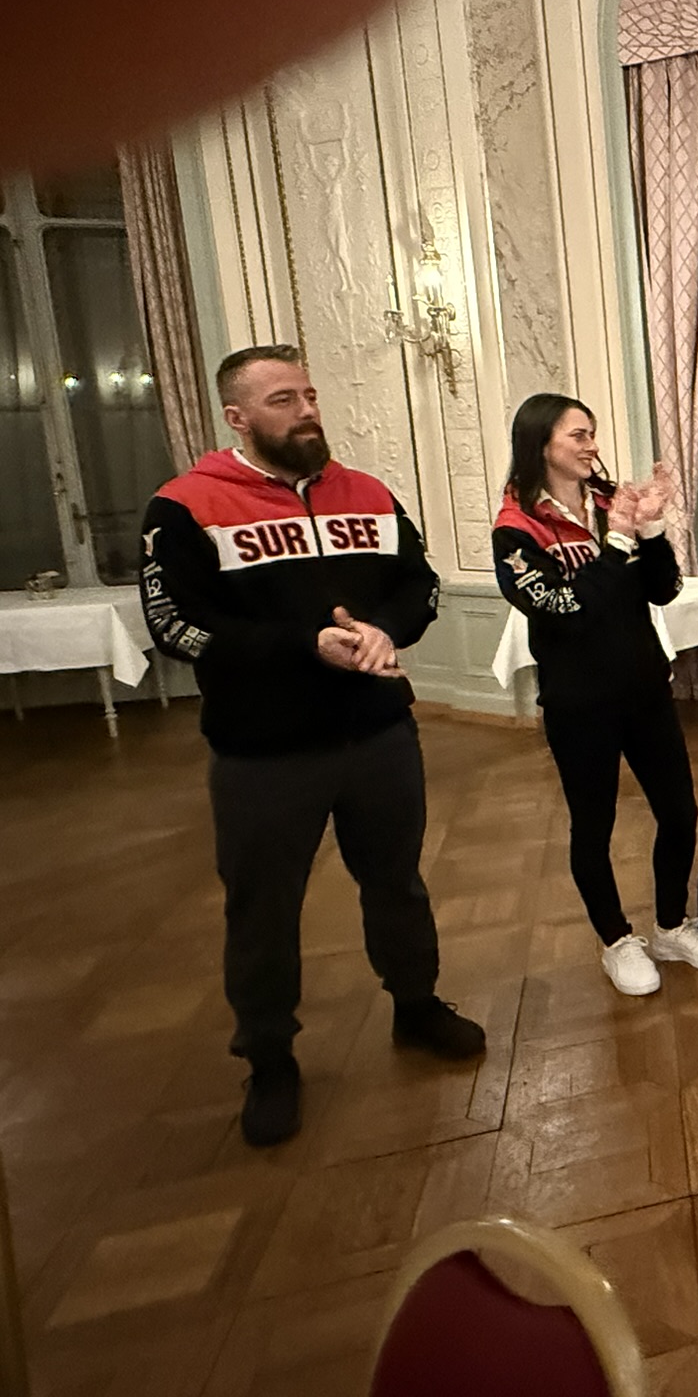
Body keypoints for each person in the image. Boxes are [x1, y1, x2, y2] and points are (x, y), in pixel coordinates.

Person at [138, 345, 484, 1148]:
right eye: (283, 400)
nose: (306, 412)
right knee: (263, 909)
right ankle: (269, 1057)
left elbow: (419, 584)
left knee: (396, 884)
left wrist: (385, 629)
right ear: (237, 417)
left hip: (379, 736)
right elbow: (176, 625)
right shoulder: (185, 506)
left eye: (310, 395)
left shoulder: (367, 492)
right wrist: (305, 646)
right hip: (264, 754)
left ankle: (416, 1004)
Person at [493, 393, 698, 998]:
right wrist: (620, 542)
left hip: (645, 689)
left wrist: (650, 528)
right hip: (580, 703)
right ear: (540, 443)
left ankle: (672, 926)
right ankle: (616, 939)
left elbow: (663, 589)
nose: (591, 446)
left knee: (679, 811)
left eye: (592, 433)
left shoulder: (610, 504)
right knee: (593, 824)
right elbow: (566, 608)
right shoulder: (516, 528)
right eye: (577, 435)